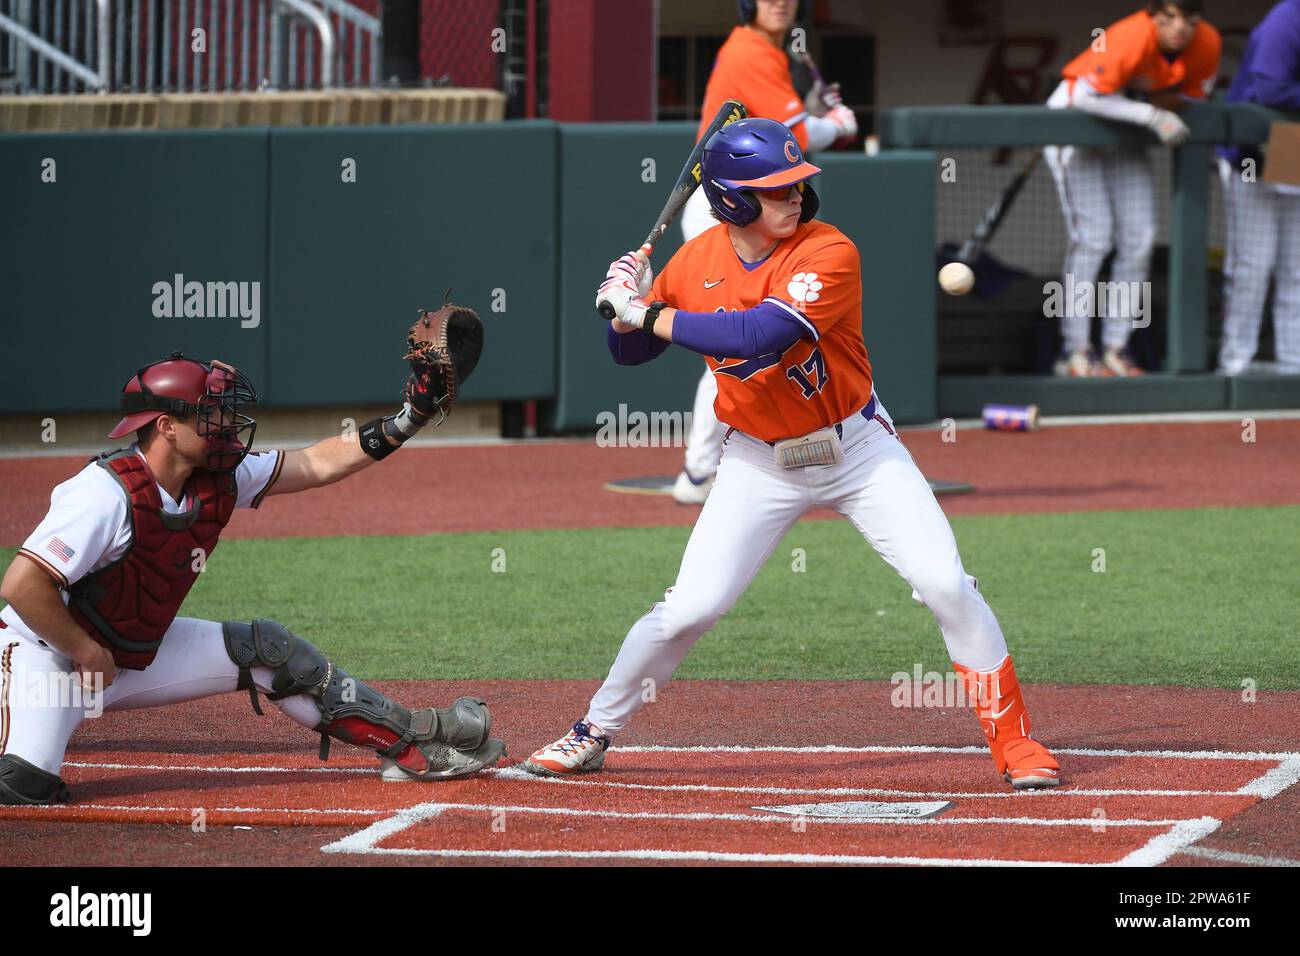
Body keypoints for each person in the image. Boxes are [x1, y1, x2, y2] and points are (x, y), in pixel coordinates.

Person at [525, 119, 1059, 791]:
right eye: (776, 189)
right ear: (733, 200)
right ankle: (592, 731)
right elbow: (629, 353)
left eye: (797, 184)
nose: (795, 196)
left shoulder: (829, 250)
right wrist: (623, 296)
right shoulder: (694, 263)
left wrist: (645, 313)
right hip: (757, 463)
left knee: (945, 584)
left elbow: (762, 334)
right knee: (690, 608)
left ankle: (1015, 742)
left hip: (859, 449)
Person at [0, 350, 503, 805]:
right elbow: (22, 585)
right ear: (166, 426)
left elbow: (317, 462)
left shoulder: (215, 478)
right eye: (210, 412)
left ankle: (411, 742)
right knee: (25, 784)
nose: (225, 423)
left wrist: (410, 418)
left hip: (127, 654)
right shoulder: (102, 494)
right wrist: (85, 651)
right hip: (44, 658)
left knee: (270, 652)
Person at [672, 0, 858, 505]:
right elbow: (801, 135)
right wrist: (838, 124)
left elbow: (784, 138)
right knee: (736, 344)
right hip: (730, 210)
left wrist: (817, 115)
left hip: (750, 208)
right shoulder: (749, 50)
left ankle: (713, 467)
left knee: (754, 341)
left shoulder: (769, 52)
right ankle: (700, 470)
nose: (779, 2)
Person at [1044, 0, 1221, 377]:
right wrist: (1151, 115)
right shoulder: (1130, 35)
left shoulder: (1207, 43)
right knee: (1093, 238)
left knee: (1140, 237)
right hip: (1075, 123)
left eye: (1189, 19)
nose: (1180, 27)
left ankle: (1116, 347)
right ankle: (1075, 350)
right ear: (1153, 15)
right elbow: (1086, 96)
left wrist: (1151, 107)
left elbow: (1189, 97)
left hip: (1123, 131)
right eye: (1170, 17)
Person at [1216, 0, 1300, 376]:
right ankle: (1235, 366)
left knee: (1296, 268)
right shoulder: (1289, 18)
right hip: (1250, 154)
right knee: (1252, 266)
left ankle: (1293, 365)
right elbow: (1272, 89)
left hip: (1293, 148)